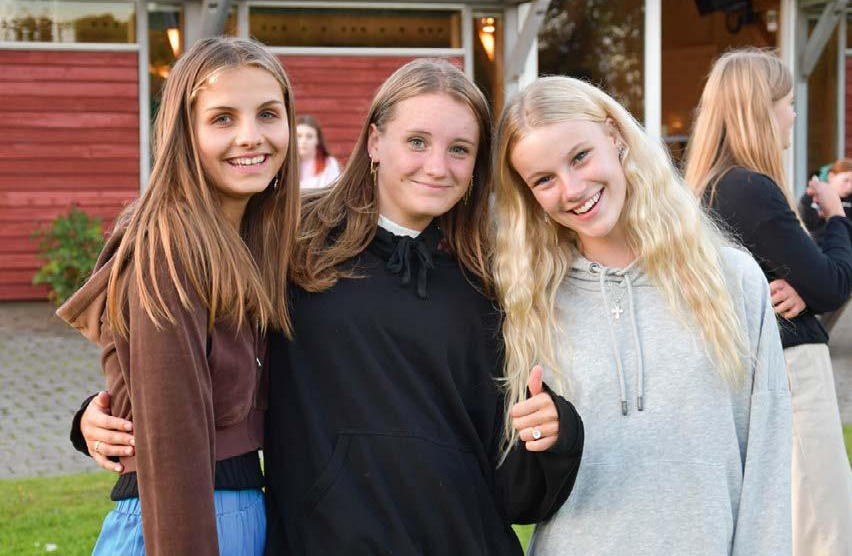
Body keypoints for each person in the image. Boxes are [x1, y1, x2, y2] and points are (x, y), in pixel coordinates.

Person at [71, 59, 584, 555]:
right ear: (375, 141)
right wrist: (104, 414)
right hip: (323, 539)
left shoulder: (491, 280)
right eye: (417, 141)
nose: (437, 166)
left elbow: (516, 491)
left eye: (459, 149)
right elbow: (196, 347)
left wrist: (555, 435)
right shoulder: (290, 242)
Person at [493, 75, 791, 555]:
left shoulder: (731, 279)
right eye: (543, 180)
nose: (572, 189)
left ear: (614, 136)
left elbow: (768, 459)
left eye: (580, 157)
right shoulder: (529, 303)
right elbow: (518, 485)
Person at [56, 37, 300, 555]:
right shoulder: (167, 247)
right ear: (184, 133)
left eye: (267, 114)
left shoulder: (255, 234)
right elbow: (172, 443)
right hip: (183, 519)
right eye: (222, 118)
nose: (250, 136)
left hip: (237, 511)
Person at [684, 48, 852, 556]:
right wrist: (837, 218)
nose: (792, 114)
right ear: (760, 110)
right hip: (791, 371)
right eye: (787, 103)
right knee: (822, 523)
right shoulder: (748, 187)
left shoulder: (711, 186)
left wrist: (799, 281)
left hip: (763, 370)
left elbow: (801, 277)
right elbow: (834, 284)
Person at [800, 157, 852, 244]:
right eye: (845, 181)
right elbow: (805, 228)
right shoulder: (812, 197)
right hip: (816, 247)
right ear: (831, 177)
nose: (850, 187)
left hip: (846, 247)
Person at [296, 113, 342, 188]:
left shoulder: (329, 164)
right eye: (298, 136)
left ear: (317, 140)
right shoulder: (285, 165)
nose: (303, 141)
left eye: (309, 136)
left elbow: (333, 192)